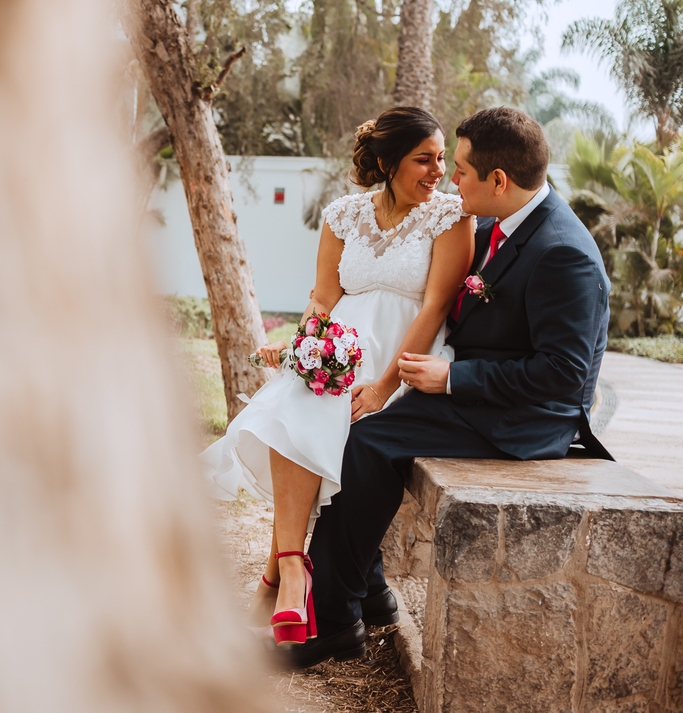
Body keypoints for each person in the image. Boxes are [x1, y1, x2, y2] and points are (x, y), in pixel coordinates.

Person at [280, 106, 613, 668]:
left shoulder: (563, 252)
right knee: (358, 422)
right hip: (476, 390)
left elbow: (564, 375)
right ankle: (370, 590)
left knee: (369, 441)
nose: (450, 180)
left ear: (498, 180)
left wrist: (452, 377)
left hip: (525, 418)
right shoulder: (499, 224)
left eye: (459, 169)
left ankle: (333, 621)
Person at [199, 107, 475, 646]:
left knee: (310, 412)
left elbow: (436, 306)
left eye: (442, 158)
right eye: (425, 159)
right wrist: (305, 346)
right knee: (293, 406)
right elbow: (324, 297)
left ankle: (278, 578)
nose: (439, 170)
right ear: (388, 163)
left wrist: (385, 386)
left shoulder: (450, 216)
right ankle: (291, 568)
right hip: (339, 346)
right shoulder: (344, 214)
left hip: (401, 352)